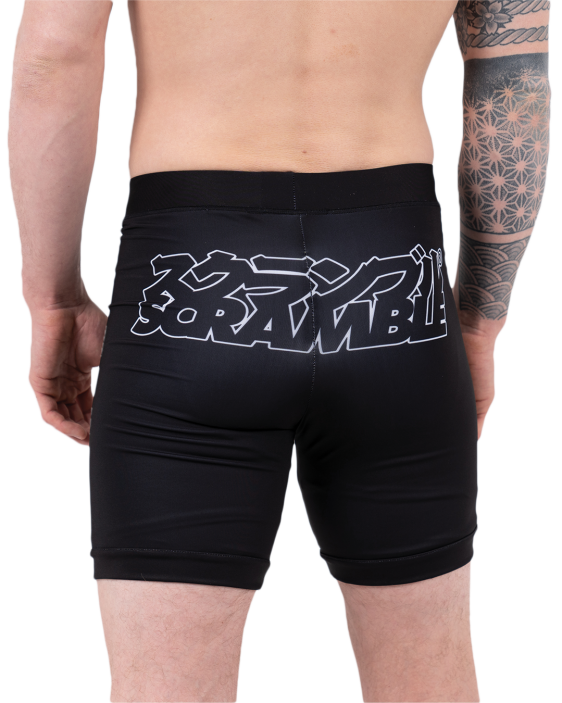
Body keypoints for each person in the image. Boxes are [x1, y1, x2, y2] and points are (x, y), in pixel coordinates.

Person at [9, 0, 551, 700]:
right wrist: (479, 320)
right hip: (392, 284)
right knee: (428, 677)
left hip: (194, 285)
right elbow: (512, 87)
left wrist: (54, 299)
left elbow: (54, 54)